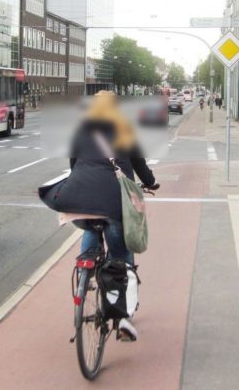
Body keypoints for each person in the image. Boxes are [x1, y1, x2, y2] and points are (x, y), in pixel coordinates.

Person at [39, 91, 159, 341]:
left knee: (91, 227)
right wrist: (150, 182)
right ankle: (123, 317)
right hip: (114, 203)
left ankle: (85, 270)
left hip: (79, 199)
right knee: (122, 257)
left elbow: (74, 165)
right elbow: (139, 165)